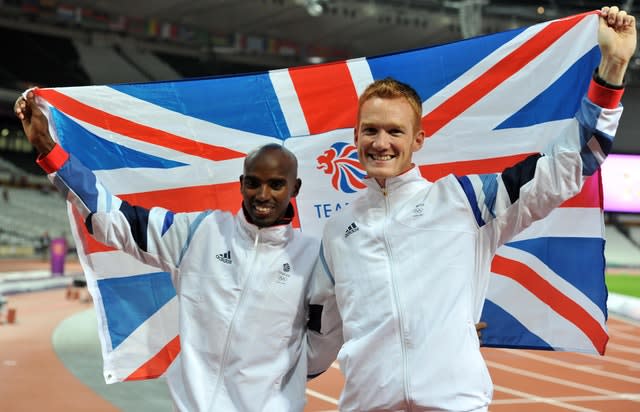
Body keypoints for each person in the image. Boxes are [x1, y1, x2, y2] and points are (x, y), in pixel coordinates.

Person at [311, 6, 636, 411]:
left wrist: (612, 68)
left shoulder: (465, 200)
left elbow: (568, 164)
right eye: (371, 130)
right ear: (355, 136)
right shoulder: (338, 229)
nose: (381, 142)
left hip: (454, 403)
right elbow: (319, 328)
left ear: (419, 140)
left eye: (396, 131)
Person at [14, 92, 340, 411]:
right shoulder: (200, 233)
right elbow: (112, 218)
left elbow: (323, 344)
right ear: (241, 184)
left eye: (276, 184)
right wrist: (48, 149)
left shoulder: (313, 259)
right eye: (253, 183)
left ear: (294, 188)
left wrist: (273, 386)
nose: (263, 194)